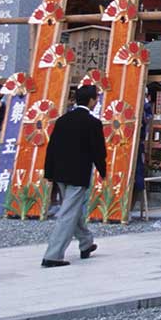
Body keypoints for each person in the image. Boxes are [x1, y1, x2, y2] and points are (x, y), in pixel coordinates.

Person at [41, 85, 106, 267]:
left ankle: (86, 242)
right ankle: (53, 255)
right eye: (96, 98)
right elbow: (98, 151)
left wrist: (49, 172)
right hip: (78, 174)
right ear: (92, 100)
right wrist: (103, 171)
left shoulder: (62, 120)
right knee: (68, 213)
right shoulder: (93, 123)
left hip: (60, 173)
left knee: (72, 209)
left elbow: (51, 148)